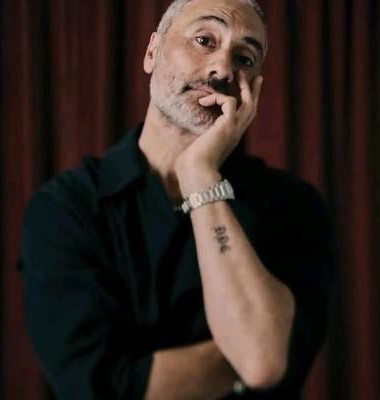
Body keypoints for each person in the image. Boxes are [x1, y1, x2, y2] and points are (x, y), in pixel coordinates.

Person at [18, 0, 334, 399]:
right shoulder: (65, 209)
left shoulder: (293, 207)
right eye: (204, 40)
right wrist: (238, 351)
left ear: (254, 87)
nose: (222, 69)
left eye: (244, 58)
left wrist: (199, 175)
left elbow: (262, 361)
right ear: (152, 52)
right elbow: (95, 385)